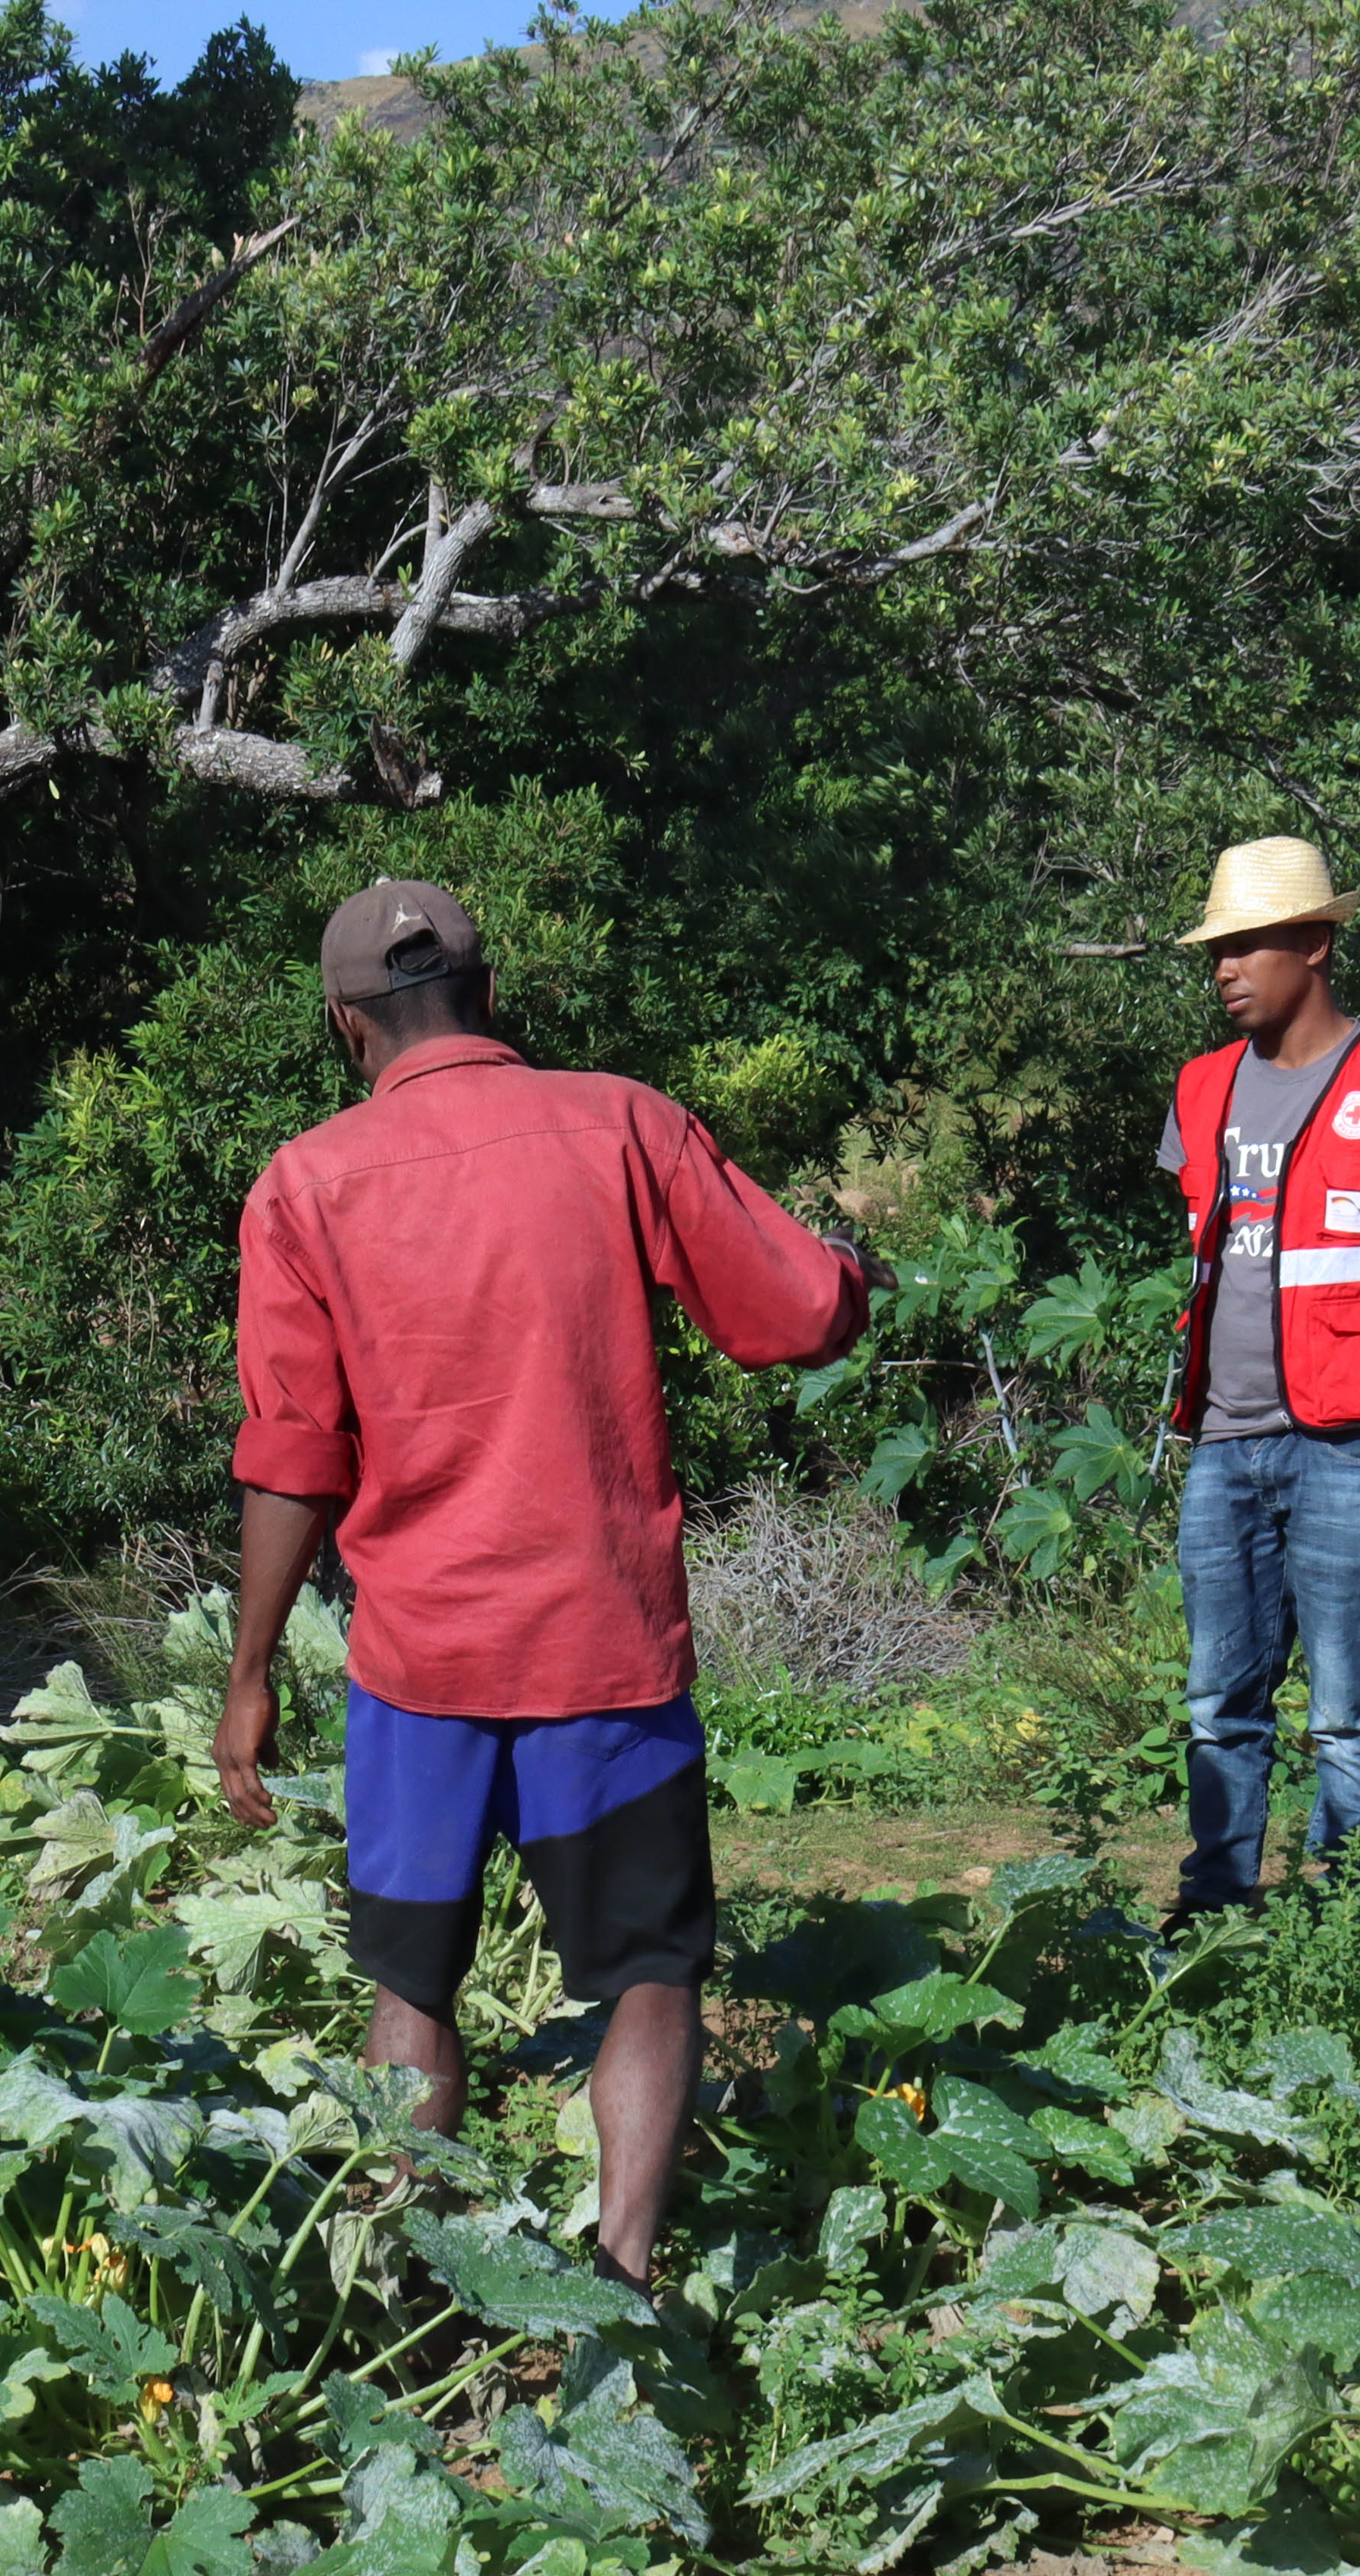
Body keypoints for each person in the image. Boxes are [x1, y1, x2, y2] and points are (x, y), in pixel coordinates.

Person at [212, 878, 875, 2286]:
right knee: (646, 1966)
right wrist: (850, 1280)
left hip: (418, 1666)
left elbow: (292, 1457)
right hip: (605, 1647)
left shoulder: (306, 1183)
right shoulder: (619, 1122)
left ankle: (432, 2278)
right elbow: (798, 1311)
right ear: (491, 994)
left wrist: (252, 1669)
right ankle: (626, 2275)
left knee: (409, 1982)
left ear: (347, 1024)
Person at [1154, 836, 1360, 1911]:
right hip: (1227, 1438)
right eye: (1218, 948)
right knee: (1219, 1699)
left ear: (1315, 943)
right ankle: (1215, 1914)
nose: (1226, 967)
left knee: (1346, 1705)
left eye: (1248, 944)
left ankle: (1348, 1917)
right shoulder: (1199, 1091)